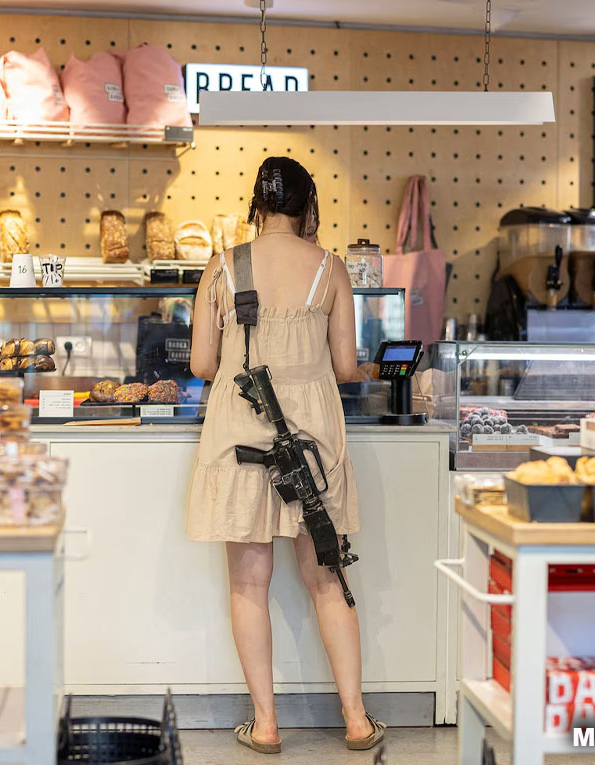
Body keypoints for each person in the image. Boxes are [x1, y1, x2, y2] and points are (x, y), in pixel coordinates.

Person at [186, 157, 384, 754]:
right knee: (328, 578)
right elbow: (346, 368)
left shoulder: (221, 268)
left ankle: (266, 723)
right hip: (312, 446)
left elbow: (200, 365)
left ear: (256, 206)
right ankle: (355, 718)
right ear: (309, 207)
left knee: (249, 583)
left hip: (241, 438)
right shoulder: (330, 269)